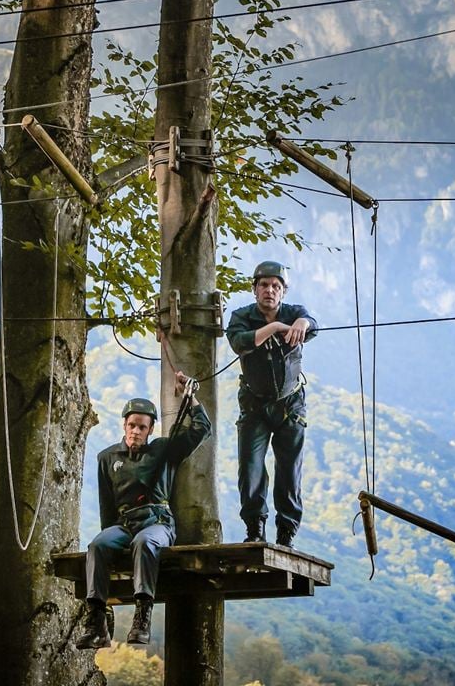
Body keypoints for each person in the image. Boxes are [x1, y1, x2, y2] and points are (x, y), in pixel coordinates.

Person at [75, 371, 211, 649]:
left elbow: (201, 429)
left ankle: (142, 615)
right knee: (97, 545)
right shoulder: (107, 458)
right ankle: (96, 621)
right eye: (132, 425)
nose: (136, 431)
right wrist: (109, 539)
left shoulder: (164, 450)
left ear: (150, 431)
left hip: (157, 523)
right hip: (124, 524)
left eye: (143, 427)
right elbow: (107, 505)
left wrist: (192, 397)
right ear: (124, 425)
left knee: (145, 541)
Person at [225, 260, 317, 548]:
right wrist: (275, 326)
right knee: (250, 468)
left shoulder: (294, 313)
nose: (270, 290)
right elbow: (239, 342)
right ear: (254, 289)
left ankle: (286, 531)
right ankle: (255, 527)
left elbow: (313, 324)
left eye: (276, 286)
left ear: (283, 292)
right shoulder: (242, 316)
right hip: (254, 405)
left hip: (290, 405)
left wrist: (303, 322)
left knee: (289, 470)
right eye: (264, 285)